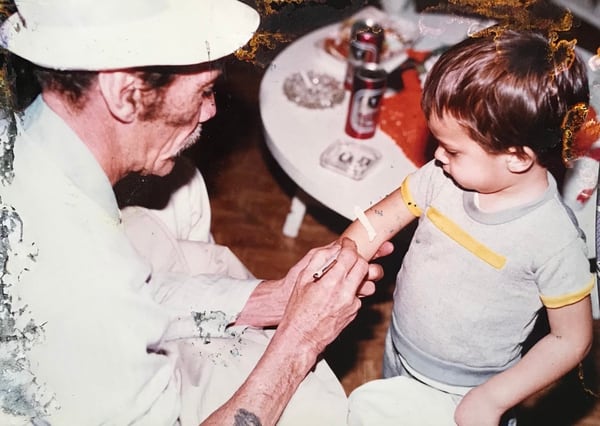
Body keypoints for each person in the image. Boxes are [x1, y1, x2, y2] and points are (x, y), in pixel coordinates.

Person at [0, 0, 392, 424]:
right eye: (204, 91)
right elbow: (105, 302)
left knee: (184, 187)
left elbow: (140, 295)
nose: (211, 110)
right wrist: (301, 339)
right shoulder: (86, 296)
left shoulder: (28, 140)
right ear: (124, 93)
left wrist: (272, 300)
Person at [340, 29, 595, 425]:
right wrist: (343, 257)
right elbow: (377, 221)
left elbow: (571, 338)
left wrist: (493, 400)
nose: (437, 155)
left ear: (516, 157)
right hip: (400, 352)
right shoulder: (441, 179)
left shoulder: (554, 241)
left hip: (473, 392)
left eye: (453, 149)